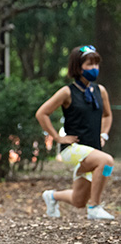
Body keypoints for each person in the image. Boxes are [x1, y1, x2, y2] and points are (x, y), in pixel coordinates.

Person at [35, 45, 115, 220]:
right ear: (78, 67)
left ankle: (51, 196)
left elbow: (107, 115)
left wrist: (104, 135)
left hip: (93, 150)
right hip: (72, 149)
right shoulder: (67, 92)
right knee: (108, 162)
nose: (94, 68)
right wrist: (57, 137)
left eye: (96, 64)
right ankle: (94, 207)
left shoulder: (100, 91)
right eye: (89, 64)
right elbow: (42, 113)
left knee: (78, 201)